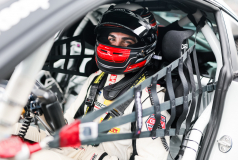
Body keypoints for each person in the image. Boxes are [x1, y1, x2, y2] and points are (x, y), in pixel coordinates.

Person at [12, 2, 188, 160]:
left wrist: (89, 155)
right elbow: (63, 133)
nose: (115, 46)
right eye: (112, 39)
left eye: (126, 41)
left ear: (143, 45)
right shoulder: (96, 79)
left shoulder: (150, 99)